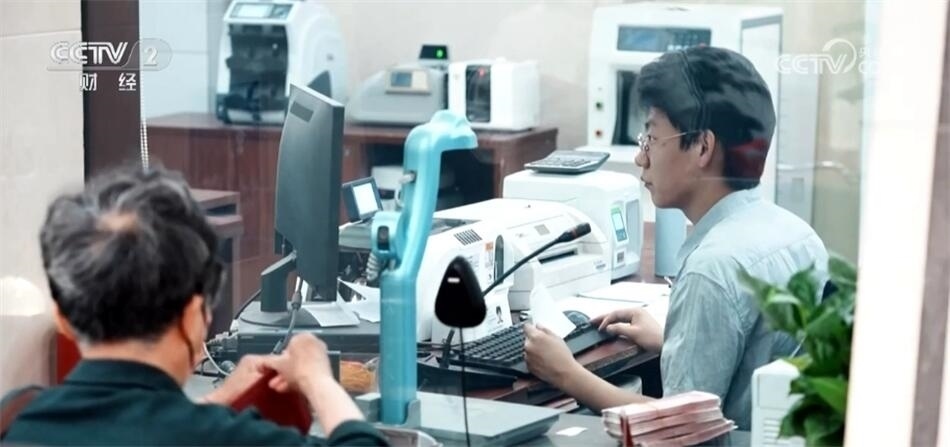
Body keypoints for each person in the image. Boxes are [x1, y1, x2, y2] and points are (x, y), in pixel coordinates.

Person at [523, 46, 828, 431]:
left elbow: (680, 430)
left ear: (702, 147)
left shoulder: (711, 269)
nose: (641, 158)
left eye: (651, 138)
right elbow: (755, 360)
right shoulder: (799, 235)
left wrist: (566, 373)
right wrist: (674, 342)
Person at [1, 166, 388, 446]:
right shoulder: (233, 440)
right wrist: (317, 378)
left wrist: (211, 403)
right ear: (192, 318)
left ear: (63, 318)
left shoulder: (17, 421)